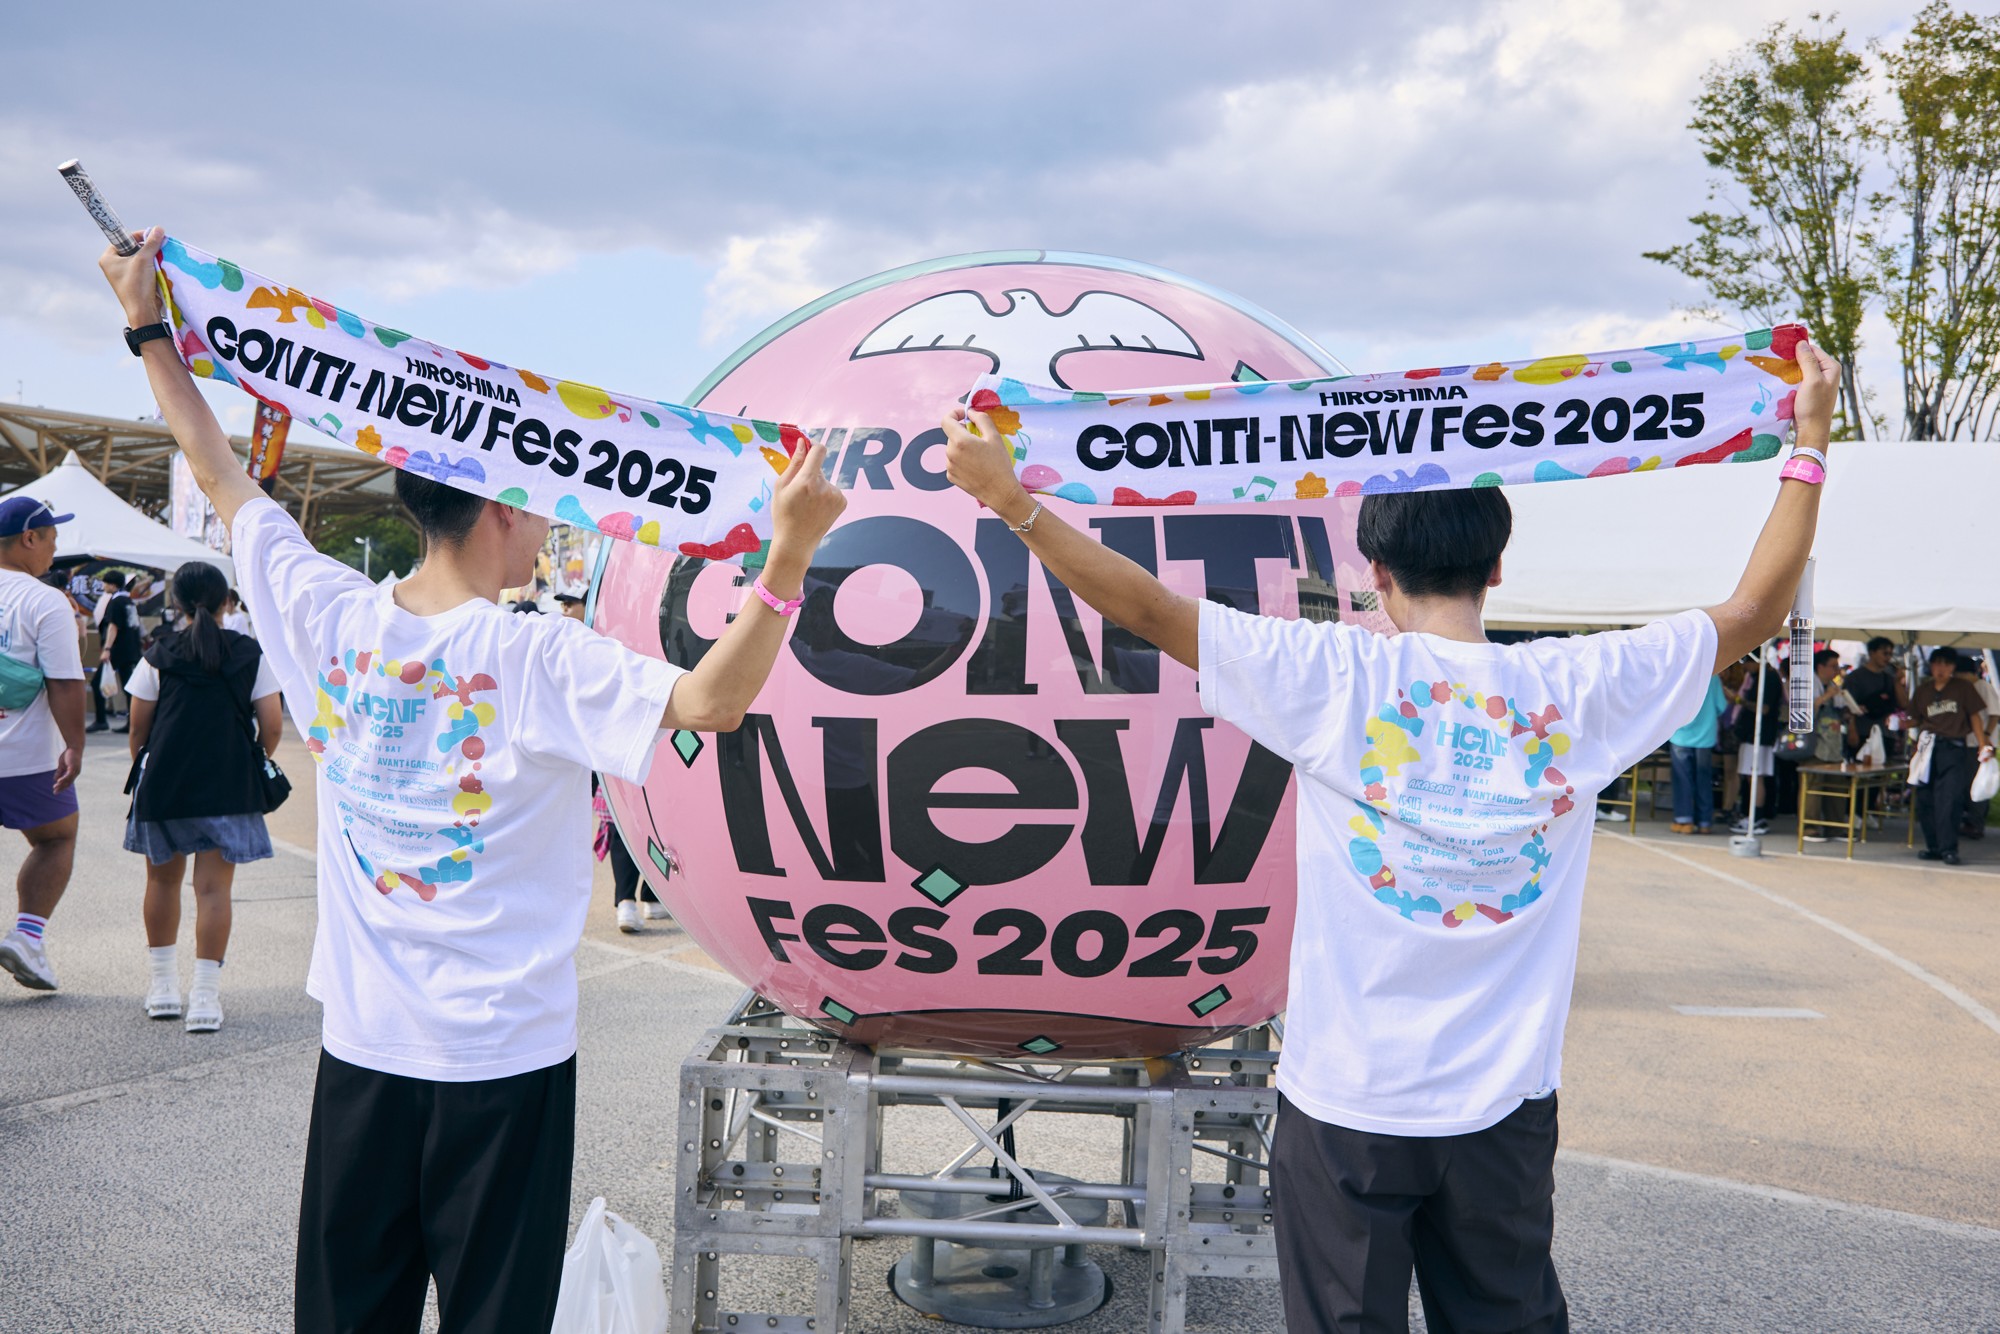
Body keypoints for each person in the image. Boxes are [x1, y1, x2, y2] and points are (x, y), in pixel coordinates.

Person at [938, 335, 1841, 1331]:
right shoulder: (1579, 685)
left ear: (1374, 571)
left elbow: (1146, 608)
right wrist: (1807, 443)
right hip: (1503, 1111)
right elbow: (1755, 609)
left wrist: (1011, 500)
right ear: (1497, 565)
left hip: (1346, 1106)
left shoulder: (1334, 674)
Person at [103, 225, 845, 1334]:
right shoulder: (536, 654)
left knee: (347, 1312)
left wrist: (146, 324)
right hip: (504, 1057)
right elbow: (712, 702)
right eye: (538, 502)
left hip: (362, 1051)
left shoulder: (324, 611)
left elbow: (216, 467)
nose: (545, 524)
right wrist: (787, 556)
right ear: (499, 507)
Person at [125, 561, 285, 1032]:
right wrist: (253, 757)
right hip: (229, 783)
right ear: (226, 602)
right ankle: (205, 1000)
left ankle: (162, 990)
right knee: (214, 890)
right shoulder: (250, 653)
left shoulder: (158, 653)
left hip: (165, 783)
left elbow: (138, 730)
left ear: (176, 603)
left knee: (161, 883)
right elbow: (272, 726)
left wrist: (152, 765)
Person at [0, 497, 87, 992]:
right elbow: (65, 682)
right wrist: (74, 745)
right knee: (56, 838)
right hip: (24, 756)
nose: (55, 548)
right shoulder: (44, 600)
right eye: (51, 537)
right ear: (29, 539)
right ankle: (27, 937)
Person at [563, 589, 671, 930]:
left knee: (650, 823)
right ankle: (628, 900)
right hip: (621, 746)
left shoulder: (598, 639)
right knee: (626, 824)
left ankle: (648, 896)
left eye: (570, 604)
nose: (565, 610)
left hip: (635, 741)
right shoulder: (583, 641)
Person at [1909, 646, 1992, 865]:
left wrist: (1982, 744)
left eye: (1946, 664)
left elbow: (1975, 716)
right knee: (1925, 799)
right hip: (1927, 748)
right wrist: (1899, 724)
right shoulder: (1923, 690)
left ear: (1953, 667)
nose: (1941, 669)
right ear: (1931, 666)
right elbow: (1915, 718)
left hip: (1953, 747)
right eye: (1937, 664)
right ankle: (1934, 846)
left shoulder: (1963, 688)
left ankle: (1948, 848)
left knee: (1949, 798)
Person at [1667, 672, 1728, 834]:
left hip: (1680, 734)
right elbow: (1721, 706)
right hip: (1705, 735)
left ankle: (1684, 819)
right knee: (1704, 778)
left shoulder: (1679, 673)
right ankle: (1704, 822)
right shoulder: (1713, 676)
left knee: (1682, 779)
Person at [1953, 652, 1999, 841]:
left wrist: (1986, 736)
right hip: (1968, 741)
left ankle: (1976, 822)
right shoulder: (1967, 688)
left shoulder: (1983, 687)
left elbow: (1995, 714)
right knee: (1967, 782)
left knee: (1977, 781)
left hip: (1981, 743)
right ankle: (1969, 819)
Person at [97, 569, 143, 733]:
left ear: (112, 585)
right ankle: (132, 722)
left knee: (97, 683)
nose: (103, 586)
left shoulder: (116, 602)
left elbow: (113, 626)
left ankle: (101, 720)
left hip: (118, 649)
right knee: (128, 685)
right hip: (130, 648)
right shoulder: (129, 601)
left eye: (105, 583)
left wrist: (107, 648)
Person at [1845, 637, 1908, 756]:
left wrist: (1897, 682)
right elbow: (1847, 706)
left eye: (1890, 654)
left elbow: (1903, 704)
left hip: (1885, 734)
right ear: (1871, 653)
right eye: (1884, 653)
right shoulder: (1855, 678)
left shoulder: (1889, 678)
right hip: (1862, 732)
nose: (1888, 658)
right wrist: (1852, 730)